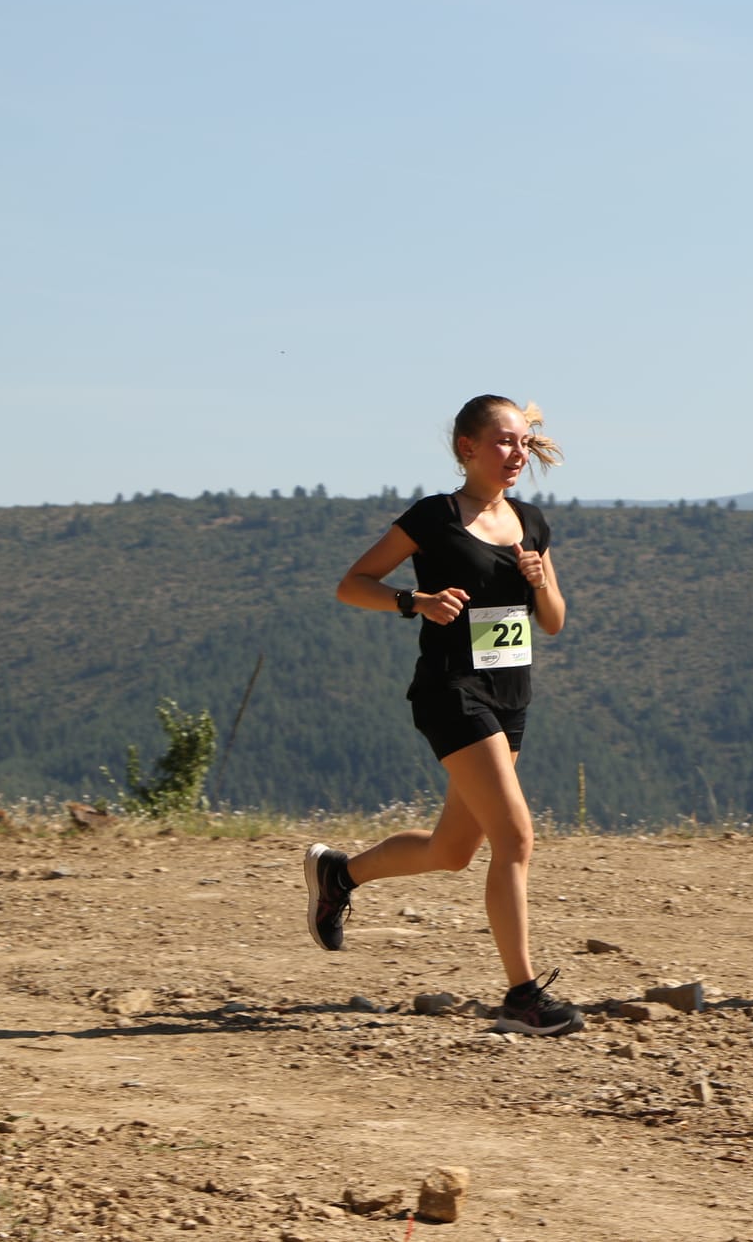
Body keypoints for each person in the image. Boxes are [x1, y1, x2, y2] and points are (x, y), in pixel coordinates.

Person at [302, 395, 583, 1036]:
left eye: (521, 443)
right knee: (515, 838)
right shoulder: (434, 517)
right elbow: (354, 583)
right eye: (503, 443)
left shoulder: (531, 523)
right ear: (467, 447)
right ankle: (522, 997)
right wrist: (414, 601)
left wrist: (540, 580)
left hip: (512, 698)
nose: (516, 455)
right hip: (452, 692)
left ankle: (339, 874)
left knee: (453, 850)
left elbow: (556, 621)